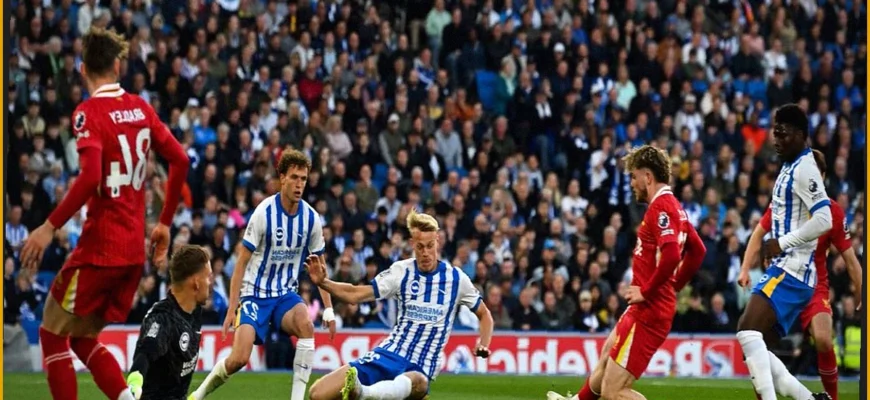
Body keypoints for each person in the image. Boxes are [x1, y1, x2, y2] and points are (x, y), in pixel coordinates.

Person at [19, 27, 189, 400]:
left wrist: (49, 226)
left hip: (100, 249)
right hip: (132, 254)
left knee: (51, 333)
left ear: (83, 69)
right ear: (118, 66)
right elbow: (180, 159)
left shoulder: (88, 113)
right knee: (82, 339)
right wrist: (164, 223)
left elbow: (91, 176)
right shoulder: (141, 108)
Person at [549, 145, 707, 400]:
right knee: (606, 358)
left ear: (648, 177)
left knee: (613, 391)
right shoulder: (675, 207)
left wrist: (648, 291)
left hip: (649, 310)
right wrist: (673, 286)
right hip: (644, 306)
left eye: (634, 176)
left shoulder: (661, 207)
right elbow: (697, 251)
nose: (632, 183)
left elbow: (671, 255)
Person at [190, 149, 337, 400]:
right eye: (294, 177)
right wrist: (232, 307)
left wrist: (329, 308)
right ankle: (198, 394)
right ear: (282, 178)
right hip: (254, 295)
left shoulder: (311, 219)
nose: (299, 184)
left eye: (303, 178)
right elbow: (240, 264)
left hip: (285, 295)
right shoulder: (263, 213)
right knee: (239, 359)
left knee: (306, 325)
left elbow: (319, 268)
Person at [305, 209, 494, 400]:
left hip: (419, 366)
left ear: (437, 241)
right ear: (412, 244)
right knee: (318, 394)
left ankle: (363, 393)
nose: (425, 253)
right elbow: (355, 294)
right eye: (420, 247)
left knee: (420, 382)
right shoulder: (401, 271)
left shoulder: (456, 279)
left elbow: (485, 315)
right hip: (389, 354)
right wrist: (324, 282)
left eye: (430, 246)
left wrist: (484, 343)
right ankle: (367, 392)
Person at [739, 149, 862, 400]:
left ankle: (831, 397)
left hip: (815, 285)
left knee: (824, 339)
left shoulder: (832, 212)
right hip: (785, 277)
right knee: (755, 342)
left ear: (822, 177)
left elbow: (850, 259)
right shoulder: (785, 202)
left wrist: (862, 293)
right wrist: (744, 268)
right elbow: (758, 232)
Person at [735, 104, 833, 400]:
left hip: (793, 269)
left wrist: (782, 243)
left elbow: (824, 218)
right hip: (786, 267)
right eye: (775, 133)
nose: (776, 139)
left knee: (747, 330)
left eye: (783, 133)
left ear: (801, 135)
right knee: (757, 348)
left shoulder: (805, 168)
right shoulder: (790, 165)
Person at [125, 245, 212, 400]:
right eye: (208, 277)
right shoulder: (163, 318)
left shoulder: (195, 311)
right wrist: (134, 385)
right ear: (196, 282)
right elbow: (144, 355)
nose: (211, 282)